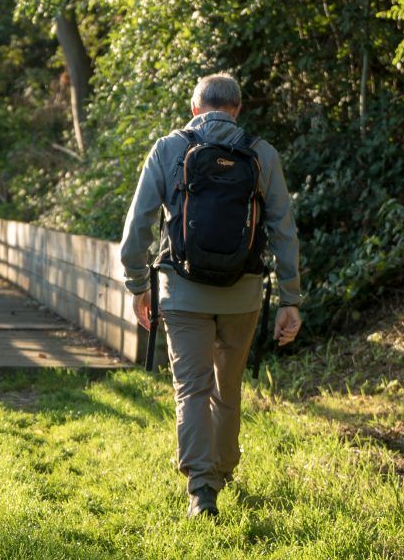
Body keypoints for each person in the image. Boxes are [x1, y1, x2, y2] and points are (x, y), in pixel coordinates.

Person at [119, 72, 303, 518]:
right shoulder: (261, 153)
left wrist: (138, 284)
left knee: (192, 389)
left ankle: (202, 491)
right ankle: (222, 468)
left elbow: (138, 227)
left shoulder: (169, 149)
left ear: (195, 108)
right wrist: (290, 299)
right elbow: (283, 230)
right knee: (228, 387)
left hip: (182, 294)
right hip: (243, 295)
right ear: (237, 109)